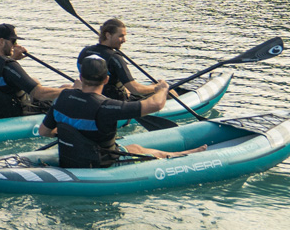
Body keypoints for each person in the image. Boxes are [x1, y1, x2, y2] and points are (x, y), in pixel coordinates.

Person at [38, 55, 205, 167]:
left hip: (70, 157)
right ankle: (182, 155)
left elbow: (44, 131)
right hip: (99, 162)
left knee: (134, 146)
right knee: (137, 150)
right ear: (106, 79)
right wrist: (162, 89)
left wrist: (72, 134)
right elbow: (155, 105)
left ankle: (179, 153)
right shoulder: (107, 106)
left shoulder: (62, 97)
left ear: (81, 78)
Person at [0, 24, 69, 120]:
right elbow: (38, 93)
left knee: (39, 83)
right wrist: (73, 92)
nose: (16, 45)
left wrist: (12, 58)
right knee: (66, 90)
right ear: (1, 41)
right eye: (13, 41)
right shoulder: (9, 66)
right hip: (18, 112)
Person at [77, 18, 161, 101]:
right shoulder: (114, 58)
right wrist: (156, 87)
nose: (124, 40)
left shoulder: (85, 52)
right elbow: (135, 89)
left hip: (93, 98)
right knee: (168, 91)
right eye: (121, 36)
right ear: (108, 35)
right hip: (118, 103)